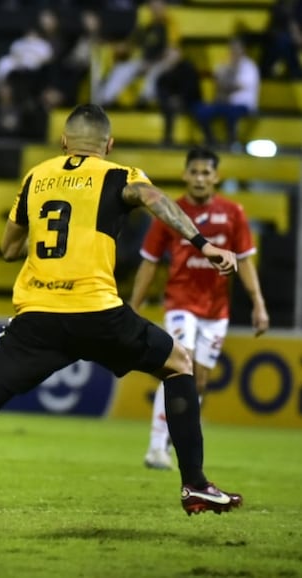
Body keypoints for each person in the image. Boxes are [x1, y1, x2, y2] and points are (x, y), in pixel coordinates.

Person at [0, 104, 242, 542]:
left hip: (37, 318)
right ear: (108, 145)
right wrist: (202, 244)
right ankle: (195, 484)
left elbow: (9, 248)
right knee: (179, 363)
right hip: (97, 311)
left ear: (63, 142)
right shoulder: (118, 174)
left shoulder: (37, 175)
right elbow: (155, 200)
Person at [130, 146, 269, 470]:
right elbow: (149, 264)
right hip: (180, 302)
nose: (200, 178)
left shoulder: (233, 212)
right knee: (181, 362)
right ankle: (155, 448)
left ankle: (170, 442)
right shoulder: (169, 212)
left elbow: (245, 261)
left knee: (200, 381)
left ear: (216, 177)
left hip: (216, 310)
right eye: (194, 171)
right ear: (184, 175)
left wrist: (258, 304)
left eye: (206, 172)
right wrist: (133, 307)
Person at [193, 37, 259, 148]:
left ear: (243, 49)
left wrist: (225, 85)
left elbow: (239, 86)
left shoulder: (249, 66)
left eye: (237, 48)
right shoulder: (224, 64)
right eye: (232, 48)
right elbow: (217, 82)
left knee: (231, 112)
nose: (234, 51)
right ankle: (210, 139)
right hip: (222, 103)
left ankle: (232, 141)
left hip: (241, 105)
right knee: (200, 111)